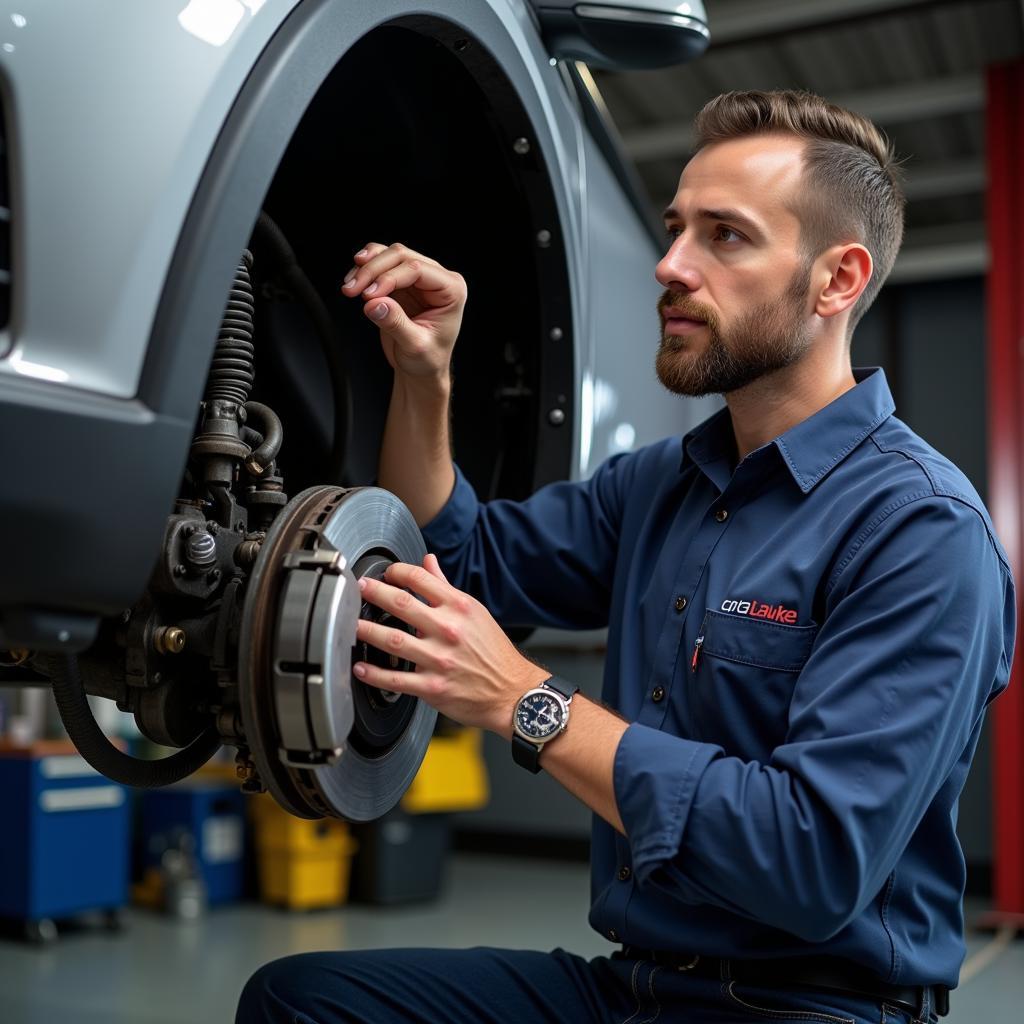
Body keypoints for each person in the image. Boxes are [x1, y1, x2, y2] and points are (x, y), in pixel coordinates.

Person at [237, 90, 1014, 1024]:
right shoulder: (660, 485)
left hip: (818, 1007)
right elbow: (454, 562)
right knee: (305, 1001)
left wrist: (526, 701)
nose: (671, 265)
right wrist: (424, 379)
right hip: (637, 985)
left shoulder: (919, 531)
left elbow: (811, 862)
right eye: (676, 227)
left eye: (724, 237)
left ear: (836, 280)